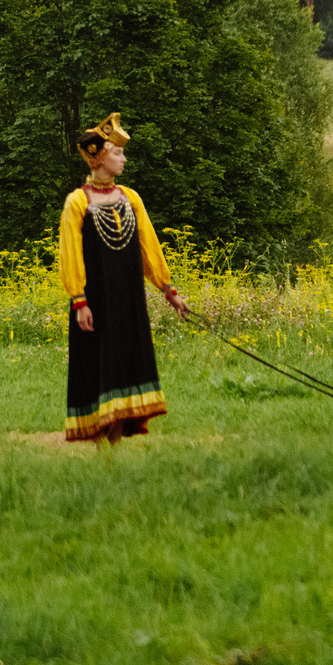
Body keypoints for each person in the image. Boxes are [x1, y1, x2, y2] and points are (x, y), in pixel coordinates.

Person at [59, 112, 190, 442]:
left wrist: (168, 289)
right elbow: (70, 256)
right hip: (95, 304)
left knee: (126, 364)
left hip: (128, 301)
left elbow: (149, 246)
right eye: (118, 153)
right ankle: (103, 443)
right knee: (100, 365)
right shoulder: (78, 203)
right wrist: (79, 302)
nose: (124, 158)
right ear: (101, 157)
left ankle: (116, 440)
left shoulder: (130, 198)